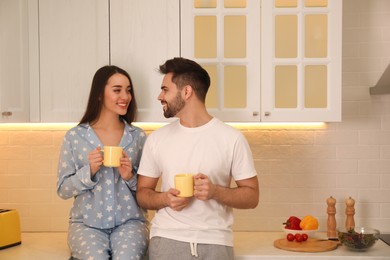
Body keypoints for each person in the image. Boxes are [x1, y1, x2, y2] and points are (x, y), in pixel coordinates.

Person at [136, 57, 259, 260]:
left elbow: (252, 197)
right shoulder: (157, 139)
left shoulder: (232, 138)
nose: (160, 96)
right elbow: (142, 194)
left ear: (187, 92)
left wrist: (215, 191)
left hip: (216, 243)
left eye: (165, 89)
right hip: (166, 240)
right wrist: (165, 198)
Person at [57, 65, 148, 260]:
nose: (125, 96)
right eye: (117, 90)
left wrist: (129, 176)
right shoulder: (74, 137)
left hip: (130, 222)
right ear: (99, 94)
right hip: (85, 224)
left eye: (128, 90)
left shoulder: (138, 137)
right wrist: (88, 171)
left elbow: (147, 191)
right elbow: (63, 190)